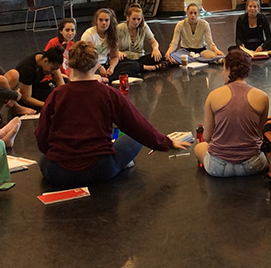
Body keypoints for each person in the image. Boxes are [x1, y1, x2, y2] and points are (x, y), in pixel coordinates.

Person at [36, 41, 191, 187]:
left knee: (45, 157)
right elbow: (137, 126)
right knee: (134, 139)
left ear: (69, 64)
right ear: (96, 64)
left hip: (58, 174)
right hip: (99, 170)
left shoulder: (56, 94)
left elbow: (41, 135)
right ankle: (118, 163)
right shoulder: (108, 93)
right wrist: (166, 143)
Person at [193, 50, 270, 177]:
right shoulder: (262, 96)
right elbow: (261, 135)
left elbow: (207, 137)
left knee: (199, 147)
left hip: (218, 167)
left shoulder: (213, 96)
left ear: (228, 70)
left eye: (223, 69)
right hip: (253, 165)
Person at [116, 5, 169, 75]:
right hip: (125, 59)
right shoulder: (120, 28)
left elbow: (154, 42)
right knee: (127, 64)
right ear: (128, 18)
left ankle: (139, 68)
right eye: (133, 19)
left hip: (139, 57)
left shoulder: (144, 26)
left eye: (139, 19)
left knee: (160, 56)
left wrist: (155, 49)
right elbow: (110, 45)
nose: (136, 22)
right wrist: (117, 52)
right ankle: (151, 68)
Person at [80, 8, 120, 80]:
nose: (104, 23)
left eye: (106, 20)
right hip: (92, 65)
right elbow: (85, 57)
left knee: (131, 65)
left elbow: (115, 56)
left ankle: (105, 79)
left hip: (105, 64)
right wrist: (99, 67)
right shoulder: (89, 34)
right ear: (96, 21)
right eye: (101, 20)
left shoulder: (112, 34)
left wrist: (112, 67)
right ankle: (107, 79)